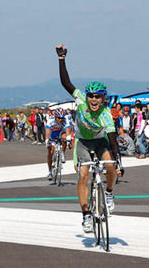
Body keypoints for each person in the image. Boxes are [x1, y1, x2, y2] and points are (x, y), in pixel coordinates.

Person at [56, 44, 122, 234]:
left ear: (103, 100)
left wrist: (118, 160)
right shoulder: (81, 100)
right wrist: (62, 59)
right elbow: (65, 83)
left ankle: (108, 193)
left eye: (97, 97)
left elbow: (112, 138)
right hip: (82, 143)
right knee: (83, 176)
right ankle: (85, 214)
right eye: (91, 96)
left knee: (110, 165)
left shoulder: (106, 115)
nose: (93, 99)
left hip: (101, 142)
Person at [45, 108, 72, 179]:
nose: (60, 120)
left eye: (62, 118)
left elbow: (68, 132)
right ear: (55, 117)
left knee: (65, 138)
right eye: (59, 118)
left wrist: (69, 140)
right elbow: (47, 132)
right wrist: (47, 140)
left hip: (61, 132)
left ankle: (63, 153)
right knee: (50, 151)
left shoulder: (65, 120)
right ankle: (50, 171)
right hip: (53, 134)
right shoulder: (51, 120)